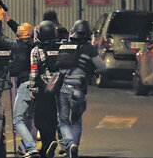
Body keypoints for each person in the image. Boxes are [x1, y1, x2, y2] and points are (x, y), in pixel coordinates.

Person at [0, 5, 38, 158]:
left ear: (25, 33)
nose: (18, 27)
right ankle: (23, 147)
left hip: (25, 86)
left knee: (18, 119)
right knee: (29, 117)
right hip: (36, 86)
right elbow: (19, 30)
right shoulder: (34, 44)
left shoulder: (16, 45)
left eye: (21, 27)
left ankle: (31, 147)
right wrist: (7, 19)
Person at [56, 20, 106, 158]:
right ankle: (74, 147)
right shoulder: (89, 49)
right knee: (76, 121)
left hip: (63, 89)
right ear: (88, 34)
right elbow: (102, 68)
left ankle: (69, 144)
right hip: (78, 90)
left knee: (63, 121)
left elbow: (56, 66)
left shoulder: (64, 46)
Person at [29, 20, 61, 158]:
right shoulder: (60, 47)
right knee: (52, 119)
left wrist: (32, 88)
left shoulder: (36, 50)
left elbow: (34, 72)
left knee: (39, 120)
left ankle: (50, 140)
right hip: (57, 87)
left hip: (43, 88)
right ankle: (47, 148)